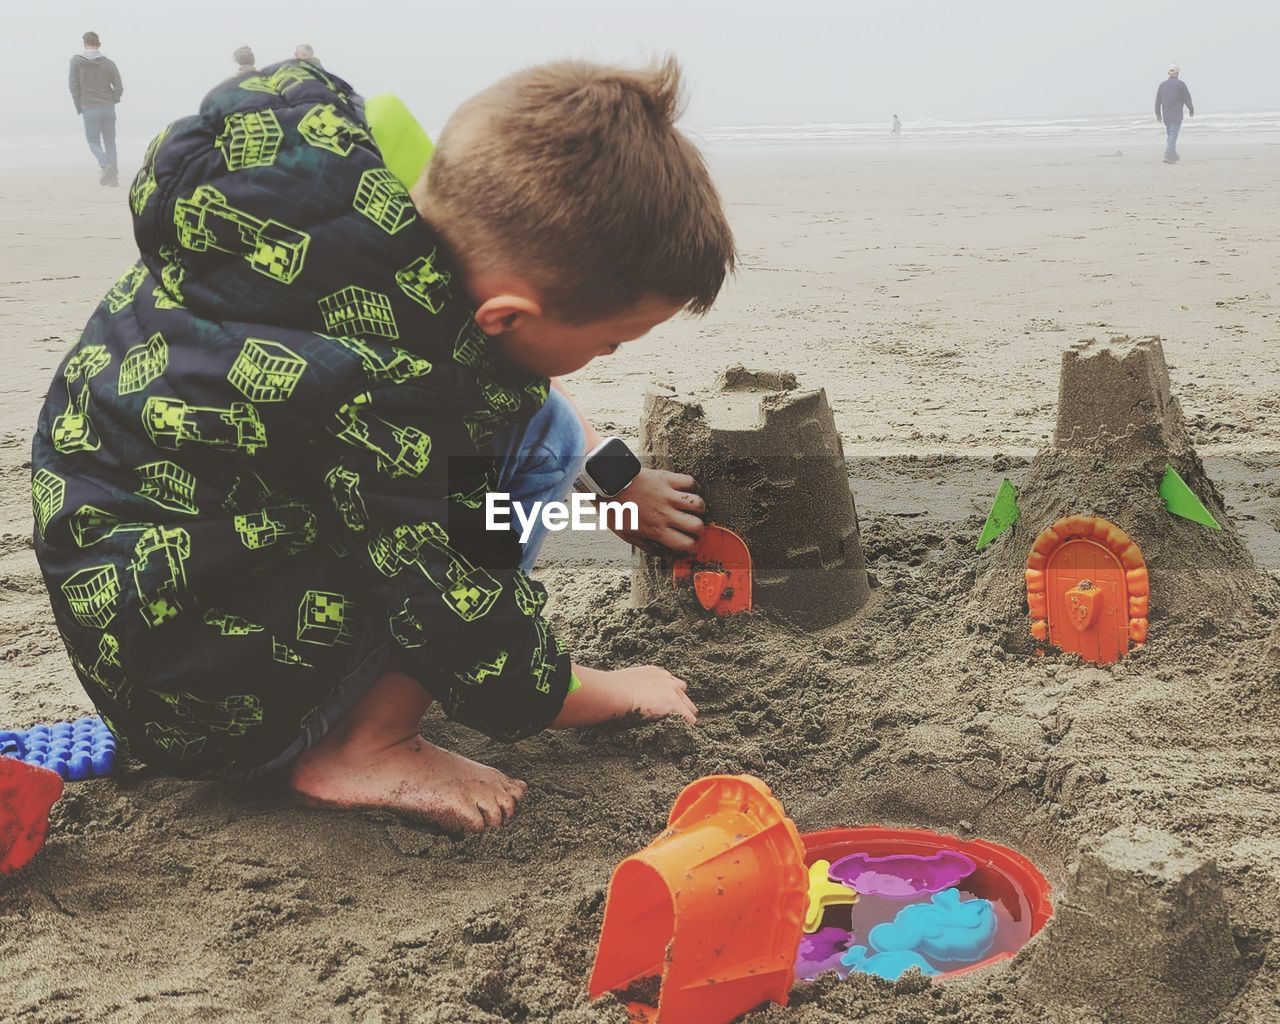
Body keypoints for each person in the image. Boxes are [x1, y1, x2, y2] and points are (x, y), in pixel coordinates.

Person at [31, 58, 733, 834]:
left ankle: (354, 719)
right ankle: (370, 745)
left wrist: (613, 478)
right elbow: (470, 621)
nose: (609, 356)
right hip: (207, 699)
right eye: (609, 342)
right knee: (498, 480)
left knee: (531, 434)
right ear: (506, 313)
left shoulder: (367, 210)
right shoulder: (395, 400)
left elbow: (504, 380)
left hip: (146, 587)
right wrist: (607, 689)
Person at [69, 31, 123, 186]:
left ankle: (106, 166)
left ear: (85, 43)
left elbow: (73, 86)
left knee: (93, 141)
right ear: (98, 44)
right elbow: (119, 87)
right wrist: (113, 100)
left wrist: (79, 105)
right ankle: (113, 179)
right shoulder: (109, 63)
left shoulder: (76, 61)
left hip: (90, 107)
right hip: (108, 108)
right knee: (110, 142)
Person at [1155, 63, 1194, 163]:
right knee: (1173, 135)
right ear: (1177, 72)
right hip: (1176, 115)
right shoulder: (1180, 84)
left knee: (1170, 135)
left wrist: (1158, 114)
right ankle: (1168, 154)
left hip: (1166, 115)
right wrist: (1191, 109)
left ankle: (1173, 156)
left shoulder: (1162, 85)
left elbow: (1158, 101)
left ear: (1169, 73)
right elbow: (1187, 98)